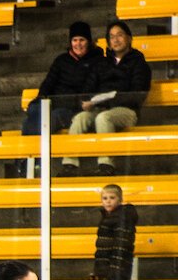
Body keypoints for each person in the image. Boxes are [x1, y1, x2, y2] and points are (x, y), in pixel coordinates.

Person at [61, 20, 151, 177]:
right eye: (111, 37)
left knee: (103, 118)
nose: (115, 40)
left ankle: (106, 165)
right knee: (80, 118)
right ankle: (69, 165)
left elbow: (136, 95)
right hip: (99, 108)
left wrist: (107, 100)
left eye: (119, 35)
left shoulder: (139, 63)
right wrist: (87, 102)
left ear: (129, 38)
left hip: (127, 111)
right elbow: (88, 89)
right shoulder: (101, 63)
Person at [21, 21, 102, 139]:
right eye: (75, 40)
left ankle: (34, 155)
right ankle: (27, 155)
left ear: (89, 42)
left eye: (82, 40)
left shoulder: (98, 61)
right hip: (54, 104)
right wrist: (41, 99)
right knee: (33, 111)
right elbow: (48, 83)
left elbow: (88, 90)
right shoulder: (61, 60)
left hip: (74, 108)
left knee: (52, 118)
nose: (78, 44)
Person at [93, 184, 139, 280]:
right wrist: (100, 269)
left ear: (119, 199)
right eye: (105, 198)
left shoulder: (122, 217)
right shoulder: (108, 217)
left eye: (112, 198)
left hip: (118, 265)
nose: (108, 201)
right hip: (110, 266)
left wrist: (115, 268)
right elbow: (104, 247)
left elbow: (121, 245)